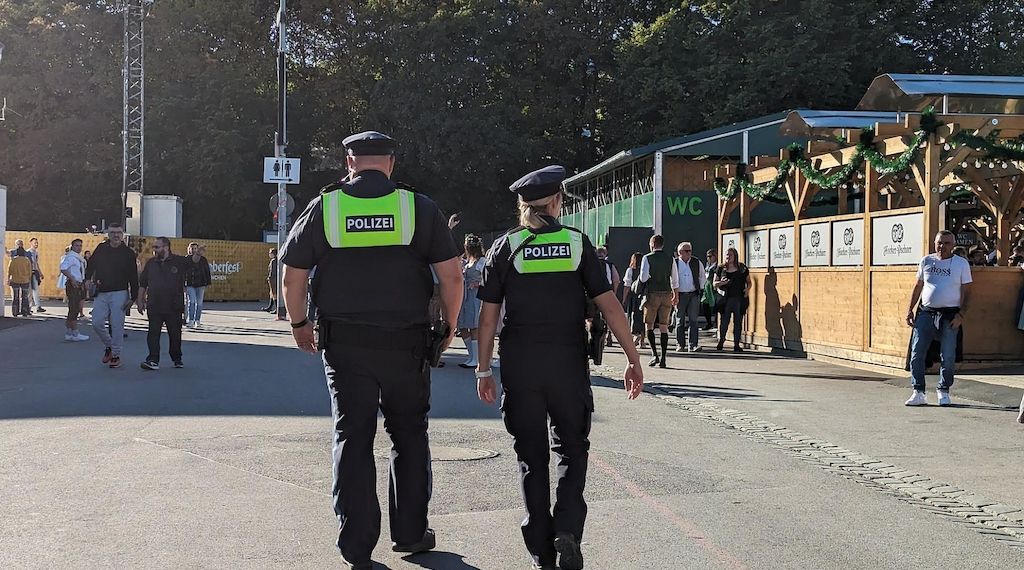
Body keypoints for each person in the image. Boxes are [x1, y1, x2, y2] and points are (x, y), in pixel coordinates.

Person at [279, 131, 463, 570]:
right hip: (406, 344)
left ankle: (356, 544)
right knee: (409, 435)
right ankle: (412, 534)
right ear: (391, 164)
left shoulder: (327, 206)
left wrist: (300, 324)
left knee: (352, 436)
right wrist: (450, 327)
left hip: (345, 346)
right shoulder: (417, 207)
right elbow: (453, 277)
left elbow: (292, 275)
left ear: (349, 162)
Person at [474, 165, 643, 570]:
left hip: (521, 365)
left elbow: (487, 316)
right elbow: (610, 305)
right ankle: (566, 529)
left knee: (531, 456)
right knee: (571, 448)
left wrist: (482, 368)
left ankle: (540, 550)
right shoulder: (576, 243)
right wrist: (633, 359)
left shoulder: (506, 247)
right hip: (567, 362)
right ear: (556, 202)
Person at [904, 230, 973, 407]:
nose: (942, 246)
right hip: (926, 312)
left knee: (948, 355)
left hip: (950, 314)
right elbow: (918, 286)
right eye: (939, 243)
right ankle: (918, 390)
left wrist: (961, 315)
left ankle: (943, 390)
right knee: (917, 352)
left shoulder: (961, 264)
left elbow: (968, 292)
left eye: (947, 243)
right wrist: (909, 309)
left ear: (953, 244)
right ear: (935, 243)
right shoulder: (926, 261)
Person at [85, 224, 139, 369]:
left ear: (123, 235)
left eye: (119, 232)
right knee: (96, 322)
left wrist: (133, 298)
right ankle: (109, 345)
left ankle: (116, 355)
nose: (116, 235)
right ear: (108, 234)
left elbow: (134, 276)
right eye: (113, 232)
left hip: (120, 293)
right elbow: (91, 264)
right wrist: (87, 279)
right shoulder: (101, 248)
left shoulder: (128, 253)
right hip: (101, 292)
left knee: (117, 325)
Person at [137, 237, 189, 370]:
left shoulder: (178, 261)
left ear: (166, 247)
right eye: (154, 247)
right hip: (154, 304)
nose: (154, 250)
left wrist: (197, 254)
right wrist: (140, 299)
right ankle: (153, 360)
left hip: (174, 305)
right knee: (153, 333)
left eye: (157, 247)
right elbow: (143, 283)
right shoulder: (151, 263)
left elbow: (194, 262)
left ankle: (177, 358)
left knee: (175, 334)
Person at [639, 234, 678, 368]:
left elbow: (643, 278)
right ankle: (663, 358)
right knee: (663, 326)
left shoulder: (647, 258)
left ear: (653, 244)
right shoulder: (670, 259)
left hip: (652, 294)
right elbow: (675, 279)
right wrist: (675, 294)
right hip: (667, 293)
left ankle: (654, 354)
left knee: (649, 324)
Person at [712, 247, 751, 352]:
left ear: (735, 256)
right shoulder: (720, 268)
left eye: (730, 255)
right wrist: (722, 283)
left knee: (738, 322)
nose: (728, 257)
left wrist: (747, 289)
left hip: (739, 298)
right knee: (724, 322)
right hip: (725, 299)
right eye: (727, 255)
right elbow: (714, 284)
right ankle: (721, 341)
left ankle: (736, 344)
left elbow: (749, 282)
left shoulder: (742, 268)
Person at [457, 234, 486, 368]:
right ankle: (471, 356)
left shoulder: (481, 261)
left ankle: (476, 359)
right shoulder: (468, 261)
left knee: (474, 326)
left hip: (475, 297)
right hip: (465, 296)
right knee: (462, 326)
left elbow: (488, 279)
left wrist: (477, 283)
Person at [673, 241, 706, 353]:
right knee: (679, 320)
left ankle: (693, 345)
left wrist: (699, 288)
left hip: (693, 294)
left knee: (693, 320)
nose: (689, 253)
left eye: (690, 250)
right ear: (680, 252)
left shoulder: (696, 262)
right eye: (687, 251)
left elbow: (702, 276)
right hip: (680, 294)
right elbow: (671, 279)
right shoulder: (675, 263)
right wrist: (674, 294)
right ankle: (680, 344)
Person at [59, 239, 89, 341]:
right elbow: (63, 268)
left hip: (80, 284)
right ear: (72, 246)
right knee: (74, 308)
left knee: (75, 308)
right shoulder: (71, 257)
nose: (79, 247)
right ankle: (75, 333)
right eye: (76, 245)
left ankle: (69, 332)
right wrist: (72, 278)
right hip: (74, 285)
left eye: (80, 245)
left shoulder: (79, 258)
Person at [184, 242, 212, 329]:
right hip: (189, 284)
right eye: (191, 248)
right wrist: (182, 284)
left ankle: (197, 320)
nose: (193, 250)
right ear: (189, 249)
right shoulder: (186, 259)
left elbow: (206, 271)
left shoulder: (203, 259)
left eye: (195, 248)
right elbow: (182, 272)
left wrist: (207, 282)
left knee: (199, 303)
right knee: (191, 301)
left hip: (201, 284)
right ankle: (191, 320)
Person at [621, 252, 646, 349]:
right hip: (644, 296)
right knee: (644, 317)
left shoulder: (630, 270)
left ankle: (636, 335)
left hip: (634, 296)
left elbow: (627, 285)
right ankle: (643, 341)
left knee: (633, 316)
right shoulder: (645, 270)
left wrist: (624, 298)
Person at [7, 246, 32, 317]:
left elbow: (9, 270)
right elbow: (30, 271)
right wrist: (28, 278)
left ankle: (15, 312)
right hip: (25, 280)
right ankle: (24, 312)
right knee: (25, 297)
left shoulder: (13, 260)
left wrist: (8, 279)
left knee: (16, 297)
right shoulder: (27, 260)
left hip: (15, 280)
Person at [26, 237, 46, 313]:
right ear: (30, 243)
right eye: (35, 243)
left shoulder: (36, 252)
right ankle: (29, 307)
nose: (36, 244)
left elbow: (36, 263)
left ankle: (38, 306)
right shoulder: (28, 252)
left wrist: (40, 273)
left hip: (35, 272)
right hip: (29, 273)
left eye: (37, 243)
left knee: (36, 290)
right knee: (30, 291)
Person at [702, 249, 719, 331]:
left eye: (710, 256)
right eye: (707, 256)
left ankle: (716, 324)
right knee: (704, 304)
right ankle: (709, 322)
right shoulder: (707, 265)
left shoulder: (717, 266)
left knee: (715, 305)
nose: (708, 258)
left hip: (713, 287)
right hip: (706, 286)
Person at [263, 248, 278, 313]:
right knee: (271, 293)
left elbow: (272, 271)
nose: (269, 254)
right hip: (274, 279)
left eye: (270, 253)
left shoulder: (273, 261)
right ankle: (270, 307)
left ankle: (277, 308)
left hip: (273, 279)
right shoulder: (276, 260)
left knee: (274, 293)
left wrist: (269, 278)